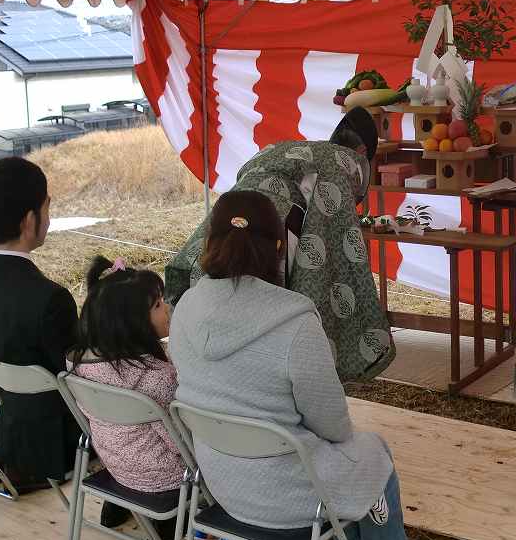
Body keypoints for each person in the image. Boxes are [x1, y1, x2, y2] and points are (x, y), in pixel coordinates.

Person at [170, 190, 420, 540]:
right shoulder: (295, 321)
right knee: (371, 451)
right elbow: (332, 424)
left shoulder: (184, 308)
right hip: (286, 494)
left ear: (209, 243)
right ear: (280, 247)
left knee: (346, 457)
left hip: (220, 484)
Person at [166, 106, 394, 383]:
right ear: (361, 155)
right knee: (268, 312)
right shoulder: (340, 165)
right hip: (272, 225)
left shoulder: (290, 151)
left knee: (224, 296)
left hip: (231, 216)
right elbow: (337, 237)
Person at [0, 157, 80, 492]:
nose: (49, 220)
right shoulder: (51, 299)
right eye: (47, 208)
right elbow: (78, 380)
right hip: (57, 447)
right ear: (29, 220)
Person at [69, 256, 185, 537]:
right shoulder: (157, 378)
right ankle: (170, 519)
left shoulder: (78, 364)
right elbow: (181, 443)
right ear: (132, 323)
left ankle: (124, 505)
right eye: (158, 305)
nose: (167, 308)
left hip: (116, 466)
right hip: (165, 479)